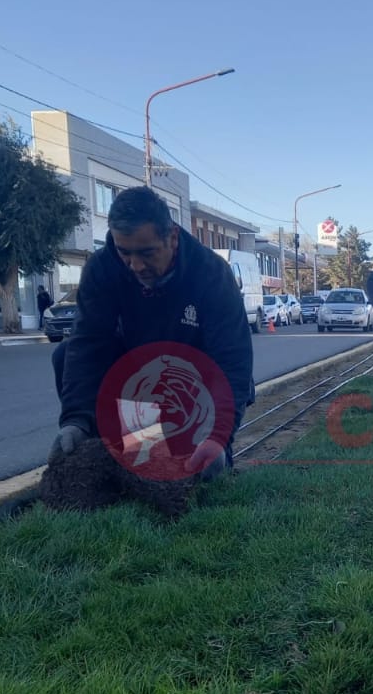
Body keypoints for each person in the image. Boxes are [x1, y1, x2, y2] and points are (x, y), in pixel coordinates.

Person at [48, 186, 254, 478]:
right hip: (138, 376)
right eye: (125, 253)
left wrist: (219, 437)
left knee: (202, 474)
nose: (135, 266)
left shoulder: (211, 273)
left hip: (197, 381)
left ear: (171, 237)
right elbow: (88, 346)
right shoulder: (102, 269)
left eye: (147, 253)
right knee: (65, 354)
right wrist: (75, 419)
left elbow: (232, 360)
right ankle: (104, 451)